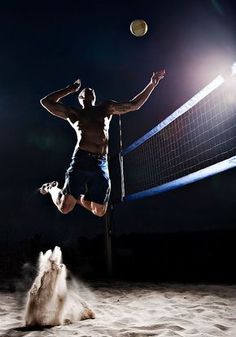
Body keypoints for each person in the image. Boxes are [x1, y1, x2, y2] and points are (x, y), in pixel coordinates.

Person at [39, 69, 165, 217]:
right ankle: (51, 188)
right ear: (80, 98)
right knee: (65, 208)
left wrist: (152, 84)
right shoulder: (73, 113)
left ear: (94, 97)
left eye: (91, 90)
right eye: (85, 91)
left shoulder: (106, 108)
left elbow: (134, 105)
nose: (89, 90)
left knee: (99, 212)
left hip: (101, 163)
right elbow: (46, 102)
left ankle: (79, 197)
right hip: (82, 160)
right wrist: (69, 89)